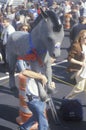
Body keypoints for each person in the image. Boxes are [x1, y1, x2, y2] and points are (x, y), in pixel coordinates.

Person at [65, 30, 86, 99]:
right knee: (79, 88)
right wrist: (80, 63)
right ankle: (67, 99)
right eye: (84, 37)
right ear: (80, 37)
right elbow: (69, 58)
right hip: (81, 70)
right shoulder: (76, 46)